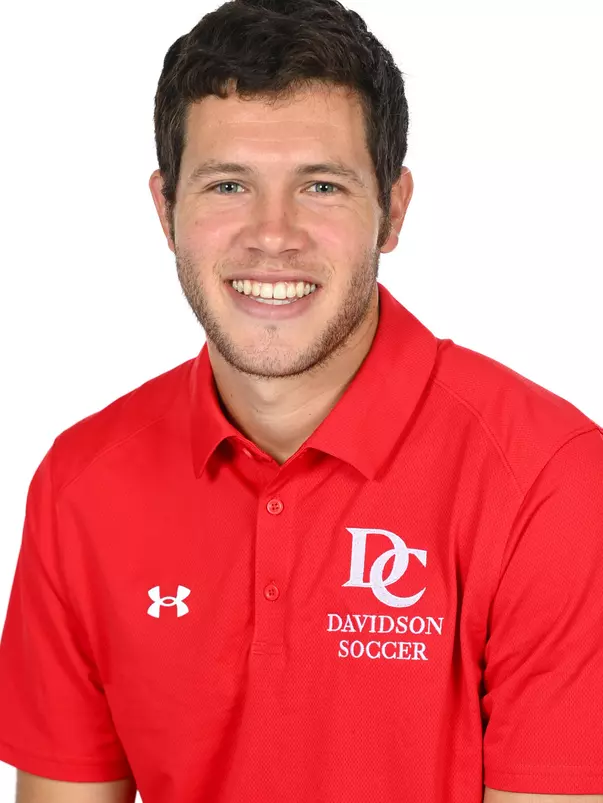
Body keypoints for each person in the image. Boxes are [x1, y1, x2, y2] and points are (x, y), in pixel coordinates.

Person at [0, 1, 602, 802]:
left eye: (320, 185)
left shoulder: (550, 483)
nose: (271, 234)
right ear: (164, 210)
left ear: (391, 210)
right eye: (227, 184)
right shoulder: (81, 483)